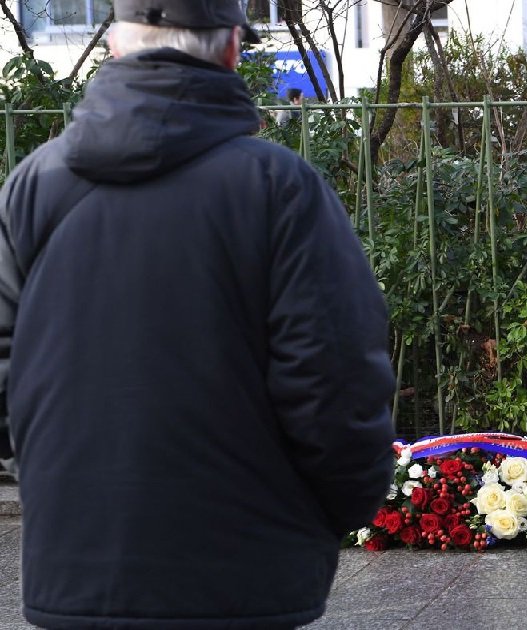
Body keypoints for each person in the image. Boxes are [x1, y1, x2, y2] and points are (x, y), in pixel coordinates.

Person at [0, 1, 397, 627]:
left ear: (113, 49)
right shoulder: (280, 188)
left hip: (75, 569)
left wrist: (59, 477)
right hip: (245, 574)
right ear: (234, 48)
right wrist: (341, 510)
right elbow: (335, 377)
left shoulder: (32, 185)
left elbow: (5, 367)